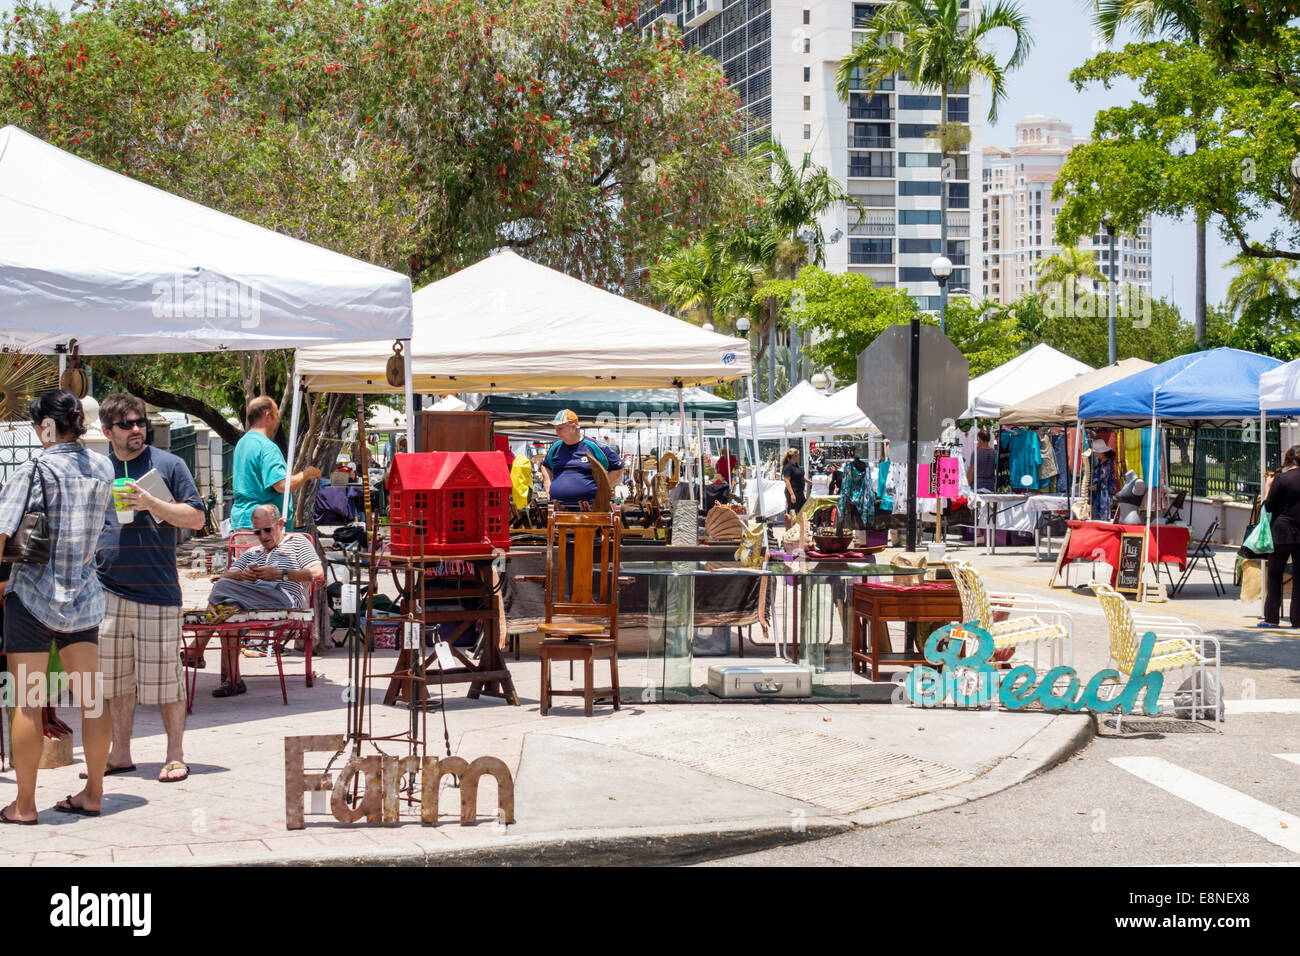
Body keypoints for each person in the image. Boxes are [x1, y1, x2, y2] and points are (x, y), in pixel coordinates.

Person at [0, 390, 115, 822]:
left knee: (27, 700)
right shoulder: (103, 467)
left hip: (31, 598)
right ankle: (95, 793)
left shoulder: (35, 469)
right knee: (92, 699)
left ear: (46, 427)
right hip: (83, 597)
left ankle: (24, 805)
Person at [94, 393, 206, 783]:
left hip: (157, 592)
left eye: (140, 421)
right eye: (126, 424)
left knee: (166, 678)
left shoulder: (169, 464)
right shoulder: (99, 470)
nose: (137, 429)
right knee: (115, 681)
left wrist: (152, 503)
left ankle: (175, 754)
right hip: (106, 593)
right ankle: (120, 753)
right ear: (108, 431)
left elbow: (195, 518)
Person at [198, 504, 324, 697]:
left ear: (280, 524)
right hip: (251, 599)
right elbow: (228, 574)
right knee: (227, 605)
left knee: (223, 592)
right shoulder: (252, 553)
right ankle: (234, 680)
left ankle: (197, 648)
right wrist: (241, 576)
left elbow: (317, 572)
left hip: (284, 597)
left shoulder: (297, 542)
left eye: (267, 530)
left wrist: (281, 574)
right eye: (258, 532)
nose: (263, 536)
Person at [231, 396, 321, 531]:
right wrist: (306, 474)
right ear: (267, 415)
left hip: (242, 522)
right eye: (277, 415)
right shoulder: (266, 446)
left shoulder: (243, 443)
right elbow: (282, 485)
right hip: (263, 527)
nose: (278, 420)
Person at [540, 409, 624, 510]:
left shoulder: (594, 446)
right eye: (556, 428)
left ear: (573, 427)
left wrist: (603, 490)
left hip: (590, 511)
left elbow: (618, 467)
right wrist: (548, 486)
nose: (557, 432)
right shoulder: (556, 447)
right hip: (558, 510)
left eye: (560, 428)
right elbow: (545, 466)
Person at [1261, 445, 1300, 628]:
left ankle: (1271, 619)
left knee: (1275, 575)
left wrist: (1268, 487)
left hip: (1282, 532)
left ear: (1288, 459)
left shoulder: (1282, 479)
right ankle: (1298, 620)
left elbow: (1268, 507)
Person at [1090, 440, 1117, 521]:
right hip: (1099, 494)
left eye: (1095, 452)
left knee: (1102, 517)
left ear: (1101, 452)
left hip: (1103, 495)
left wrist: (1095, 486)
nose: (1094, 454)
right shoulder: (1101, 463)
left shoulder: (1107, 463)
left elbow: (1104, 479)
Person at [781, 448, 808, 528]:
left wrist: (811, 482)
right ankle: (790, 530)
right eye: (798, 455)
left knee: (802, 510)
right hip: (793, 492)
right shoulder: (788, 467)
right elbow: (787, 480)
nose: (799, 457)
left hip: (799, 492)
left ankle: (798, 528)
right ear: (794, 456)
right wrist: (792, 494)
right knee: (792, 513)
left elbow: (801, 477)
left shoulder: (796, 466)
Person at [967, 429, 997, 494]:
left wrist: (967, 485)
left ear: (980, 440)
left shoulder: (976, 453)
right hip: (990, 486)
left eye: (978, 439)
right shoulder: (995, 453)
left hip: (978, 485)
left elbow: (971, 471)